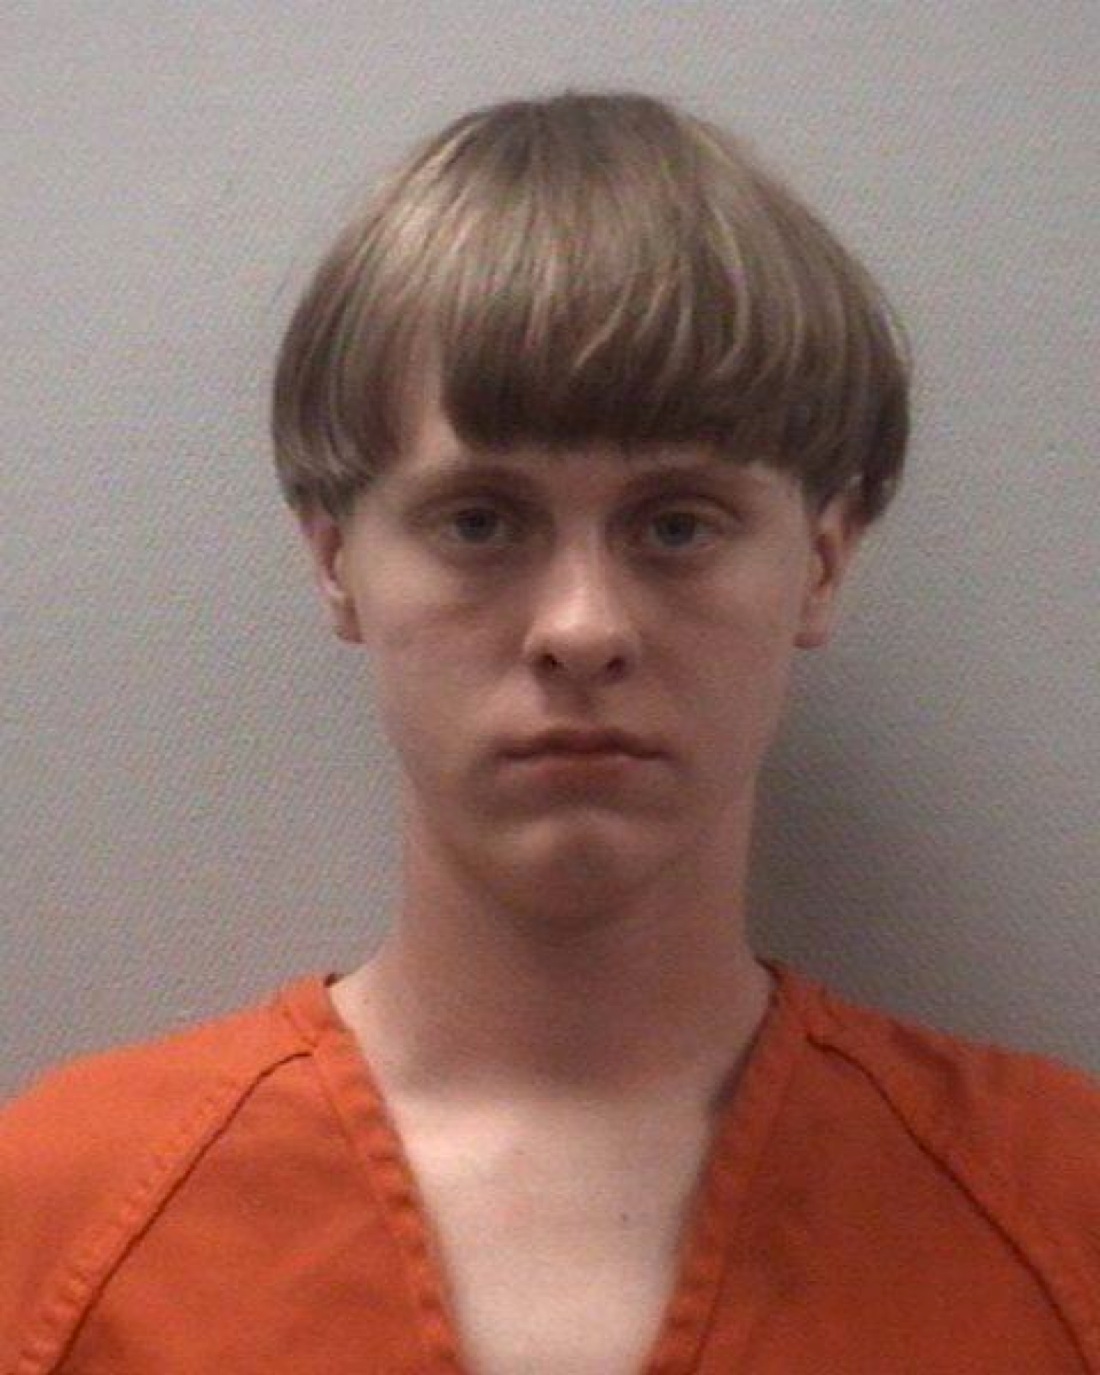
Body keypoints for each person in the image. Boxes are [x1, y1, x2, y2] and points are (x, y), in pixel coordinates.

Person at [2, 89, 1097, 1375]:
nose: (581, 627)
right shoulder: (53, 1225)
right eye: (479, 521)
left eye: (676, 524)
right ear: (335, 561)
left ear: (819, 561)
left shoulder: (1061, 1213)